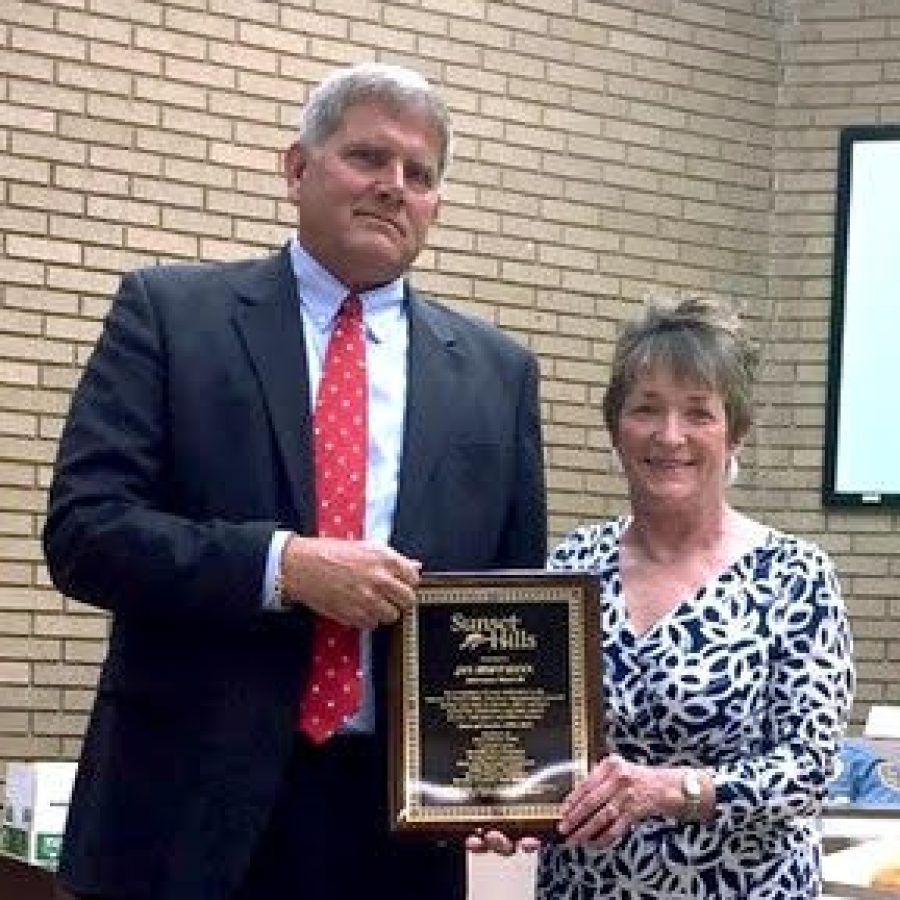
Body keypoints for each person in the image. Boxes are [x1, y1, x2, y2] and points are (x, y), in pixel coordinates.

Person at [42, 61, 547, 900]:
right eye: (367, 158)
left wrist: (503, 777)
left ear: (436, 208)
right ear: (296, 167)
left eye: (418, 175)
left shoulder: (498, 375)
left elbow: (508, 601)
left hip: (394, 832)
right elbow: (85, 533)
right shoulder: (170, 316)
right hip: (180, 814)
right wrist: (283, 568)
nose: (393, 187)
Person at [473, 296, 854, 898]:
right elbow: (529, 730)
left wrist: (668, 790)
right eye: (646, 409)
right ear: (616, 429)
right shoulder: (575, 564)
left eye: (698, 413)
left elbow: (808, 772)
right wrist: (493, 803)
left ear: (735, 433)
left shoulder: (796, 576)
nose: (669, 436)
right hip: (588, 888)